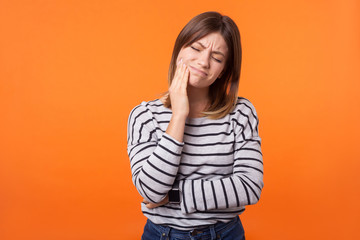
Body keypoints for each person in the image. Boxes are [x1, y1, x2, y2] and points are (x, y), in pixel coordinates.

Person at [127, 11, 263, 240]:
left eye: (217, 58)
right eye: (196, 48)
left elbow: (249, 186)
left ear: (223, 72)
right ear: (179, 49)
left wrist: (175, 196)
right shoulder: (144, 115)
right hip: (162, 235)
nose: (203, 61)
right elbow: (150, 191)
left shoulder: (241, 113)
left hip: (225, 234)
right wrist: (179, 114)